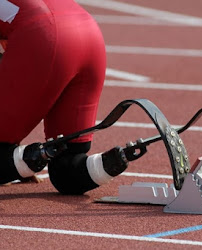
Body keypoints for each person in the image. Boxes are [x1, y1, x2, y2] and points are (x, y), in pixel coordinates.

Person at [0, 0, 129, 194]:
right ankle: (111, 162)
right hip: (88, 32)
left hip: (43, 33)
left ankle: (27, 159)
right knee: (67, 172)